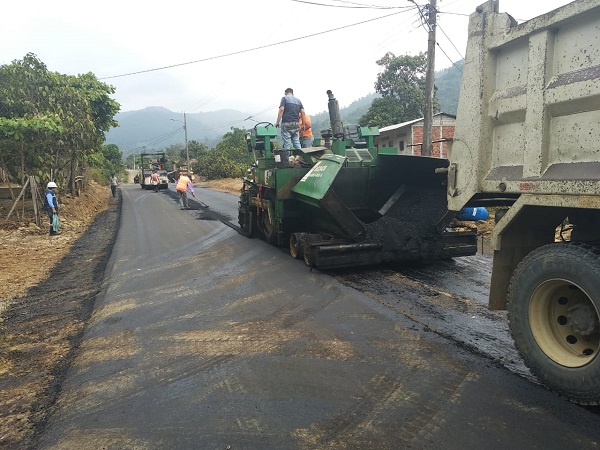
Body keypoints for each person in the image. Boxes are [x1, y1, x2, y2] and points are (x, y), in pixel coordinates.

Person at [275, 88, 305, 165]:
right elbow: (303, 112)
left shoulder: (284, 98)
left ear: (285, 93)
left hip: (287, 123)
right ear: (292, 93)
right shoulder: (298, 100)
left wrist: (277, 122)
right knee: (296, 142)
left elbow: (281, 109)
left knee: (287, 143)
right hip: (296, 124)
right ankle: (300, 160)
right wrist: (303, 124)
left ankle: (286, 162)